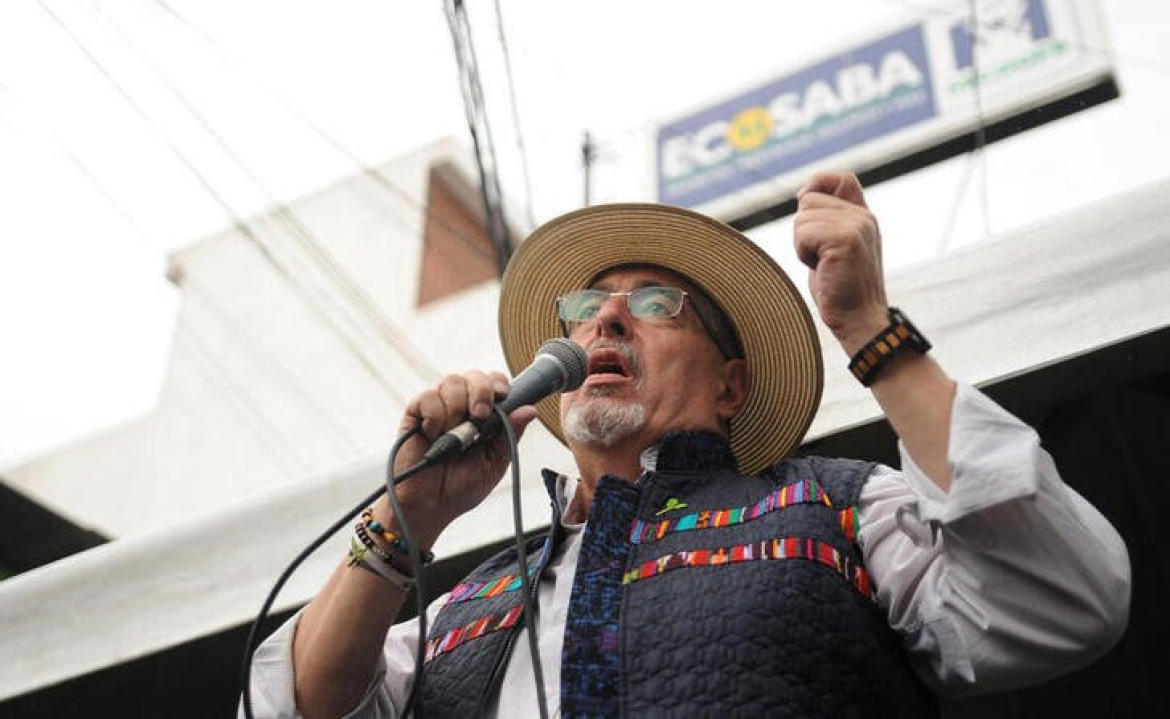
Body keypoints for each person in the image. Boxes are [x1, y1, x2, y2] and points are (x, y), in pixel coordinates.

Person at [243, 171, 1130, 717]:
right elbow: (301, 707)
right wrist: (408, 519)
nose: (609, 317)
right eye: (587, 308)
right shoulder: (473, 598)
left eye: (656, 303)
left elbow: (1056, 599)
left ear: (730, 385)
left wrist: (869, 327)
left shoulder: (833, 505)